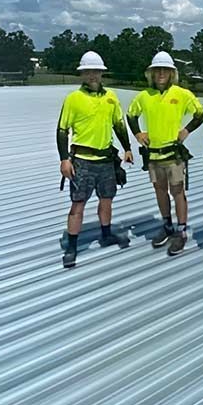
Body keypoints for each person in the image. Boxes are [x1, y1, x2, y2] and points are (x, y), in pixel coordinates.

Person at [57, 51, 134, 268]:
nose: (93, 75)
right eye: (88, 71)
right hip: (82, 160)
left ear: (102, 73)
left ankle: (106, 234)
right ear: (82, 74)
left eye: (96, 72)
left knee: (107, 199)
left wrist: (127, 148)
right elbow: (62, 130)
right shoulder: (74, 99)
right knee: (78, 204)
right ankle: (72, 246)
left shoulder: (111, 97)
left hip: (106, 160)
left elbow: (119, 124)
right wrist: (64, 160)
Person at [126, 51, 203, 256]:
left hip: (174, 154)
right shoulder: (144, 96)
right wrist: (137, 133)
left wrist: (186, 130)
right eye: (157, 70)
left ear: (172, 73)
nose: (161, 73)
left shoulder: (181, 94)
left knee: (178, 192)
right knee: (160, 191)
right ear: (151, 74)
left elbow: (201, 113)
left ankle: (181, 231)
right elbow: (131, 115)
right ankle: (167, 226)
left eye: (165, 70)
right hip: (153, 155)